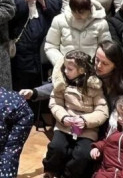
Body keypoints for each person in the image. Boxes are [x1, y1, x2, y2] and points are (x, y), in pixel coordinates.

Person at [43, 50, 109, 178]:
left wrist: (85, 120)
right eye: (64, 68)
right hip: (64, 125)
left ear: (81, 70)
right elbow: (55, 103)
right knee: (56, 147)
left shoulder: (95, 87)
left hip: (88, 128)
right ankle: (50, 170)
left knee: (83, 154)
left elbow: (102, 111)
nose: (65, 71)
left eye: (70, 69)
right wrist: (64, 117)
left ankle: (68, 175)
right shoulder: (62, 83)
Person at [9, 0, 62, 94]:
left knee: (38, 87)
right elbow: (9, 12)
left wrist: (44, 2)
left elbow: (57, 6)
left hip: (40, 48)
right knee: (21, 84)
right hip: (21, 47)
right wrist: (23, 0)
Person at [45, 0, 111, 65]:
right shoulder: (59, 20)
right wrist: (62, 64)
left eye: (81, 12)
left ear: (89, 8)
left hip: (92, 67)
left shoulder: (101, 24)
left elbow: (106, 49)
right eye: (74, 11)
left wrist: (97, 64)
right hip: (66, 67)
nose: (77, 15)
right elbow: (50, 46)